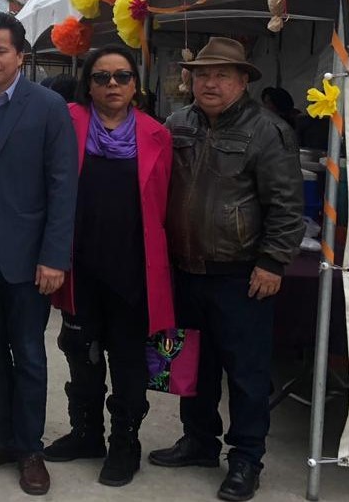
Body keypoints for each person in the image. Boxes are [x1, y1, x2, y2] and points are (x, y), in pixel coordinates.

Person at [148, 37, 304, 502]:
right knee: (189, 362)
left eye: (221, 75)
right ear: (190, 80)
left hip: (241, 275)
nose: (209, 83)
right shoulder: (176, 124)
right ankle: (198, 442)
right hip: (183, 269)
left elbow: (287, 207)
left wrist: (273, 262)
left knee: (246, 373)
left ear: (242, 81)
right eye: (201, 74)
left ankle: (245, 459)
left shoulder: (268, 130)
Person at [0, 12, 78, 496]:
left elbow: (63, 188)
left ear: (19, 55)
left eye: (1, 50)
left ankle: (29, 449)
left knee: (27, 353)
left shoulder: (47, 107)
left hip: (29, 260)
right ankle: (1, 436)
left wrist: (55, 256)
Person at [44, 46, 174, 487]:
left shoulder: (158, 134)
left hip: (134, 272)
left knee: (128, 361)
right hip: (79, 269)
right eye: (102, 77)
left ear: (136, 84)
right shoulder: (67, 122)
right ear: (88, 84)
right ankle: (86, 433)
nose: (112, 84)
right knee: (79, 353)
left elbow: (166, 206)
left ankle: (125, 442)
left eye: (122, 76)